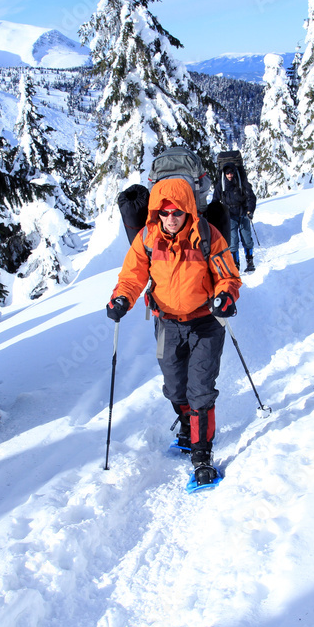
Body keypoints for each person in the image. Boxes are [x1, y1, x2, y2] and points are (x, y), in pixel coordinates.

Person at [106, 177, 241, 486]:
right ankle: (187, 423)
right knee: (175, 386)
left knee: (200, 389)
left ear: (188, 211)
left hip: (206, 322)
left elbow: (228, 276)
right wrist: (121, 298)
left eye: (176, 213)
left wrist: (225, 297)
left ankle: (201, 454)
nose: (170, 219)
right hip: (167, 323)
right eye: (164, 213)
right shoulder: (148, 239)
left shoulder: (207, 236)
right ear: (156, 213)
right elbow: (132, 275)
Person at [213, 161, 257, 272]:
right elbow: (215, 201)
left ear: (234, 172)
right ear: (224, 173)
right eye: (227, 173)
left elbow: (251, 197)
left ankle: (250, 261)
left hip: (242, 213)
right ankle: (235, 266)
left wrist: (250, 210)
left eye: (231, 172)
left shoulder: (242, 182)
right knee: (233, 242)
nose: (230, 175)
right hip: (229, 216)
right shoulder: (221, 185)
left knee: (247, 239)